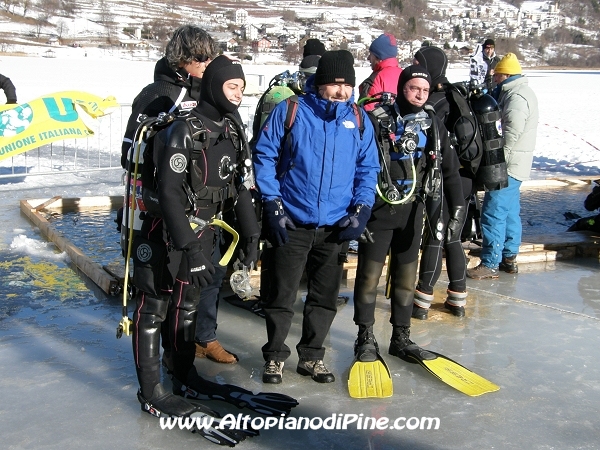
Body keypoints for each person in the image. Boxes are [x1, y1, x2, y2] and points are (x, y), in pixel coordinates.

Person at [130, 56, 262, 426]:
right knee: (153, 309)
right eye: (232, 86)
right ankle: (152, 391)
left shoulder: (232, 131)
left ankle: (184, 375)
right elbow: (171, 195)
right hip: (166, 234)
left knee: (187, 305)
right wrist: (189, 247)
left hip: (204, 230)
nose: (238, 94)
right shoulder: (183, 130)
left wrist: (251, 233)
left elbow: (239, 187)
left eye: (242, 88)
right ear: (213, 85)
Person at [253, 50, 380, 384]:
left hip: (335, 224)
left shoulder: (359, 119)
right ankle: (275, 357)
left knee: (324, 298)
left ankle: (311, 356)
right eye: (335, 85)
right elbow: (264, 155)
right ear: (320, 84)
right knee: (281, 294)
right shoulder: (292, 110)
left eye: (347, 85)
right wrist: (272, 203)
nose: (341, 91)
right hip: (293, 220)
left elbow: (368, 169)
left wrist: (361, 208)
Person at [352, 66, 463, 364]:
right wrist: (355, 212)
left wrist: (457, 211)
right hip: (378, 212)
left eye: (425, 91)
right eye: (414, 88)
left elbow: (450, 172)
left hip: (412, 212)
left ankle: (401, 337)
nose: (420, 95)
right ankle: (365, 337)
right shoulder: (377, 121)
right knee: (368, 278)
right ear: (402, 88)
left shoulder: (433, 126)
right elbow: (356, 166)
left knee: (405, 278)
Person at [467, 53, 539, 279]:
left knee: (493, 211)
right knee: (509, 212)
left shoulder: (517, 98)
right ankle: (509, 256)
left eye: (497, 75)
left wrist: (497, 160)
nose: (495, 79)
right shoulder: (518, 92)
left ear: (506, 75)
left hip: (508, 164)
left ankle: (490, 262)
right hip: (517, 163)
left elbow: (511, 133)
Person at [411, 46, 470, 319]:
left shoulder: (434, 102)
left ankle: (422, 301)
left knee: (435, 237)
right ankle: (458, 299)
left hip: (445, 178)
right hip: (463, 179)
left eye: (418, 62)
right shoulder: (457, 95)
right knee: (453, 238)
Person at [358, 33, 402, 111]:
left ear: (379, 57)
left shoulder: (375, 80)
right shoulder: (405, 75)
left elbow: (365, 114)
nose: (368, 58)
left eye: (371, 55)